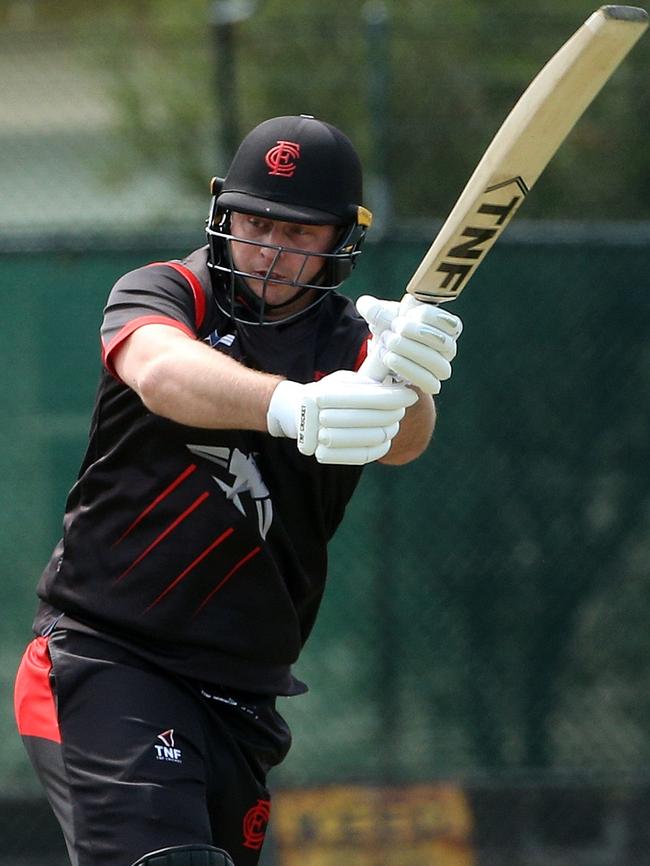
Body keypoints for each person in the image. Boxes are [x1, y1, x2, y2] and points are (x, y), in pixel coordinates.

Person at [13, 114, 463, 866]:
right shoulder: (168, 289)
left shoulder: (348, 343)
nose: (270, 251)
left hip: (243, 693)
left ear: (338, 243)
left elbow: (406, 440)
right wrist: (291, 405)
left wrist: (409, 376)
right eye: (255, 222)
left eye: (299, 234)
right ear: (224, 216)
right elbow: (160, 371)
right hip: (109, 661)